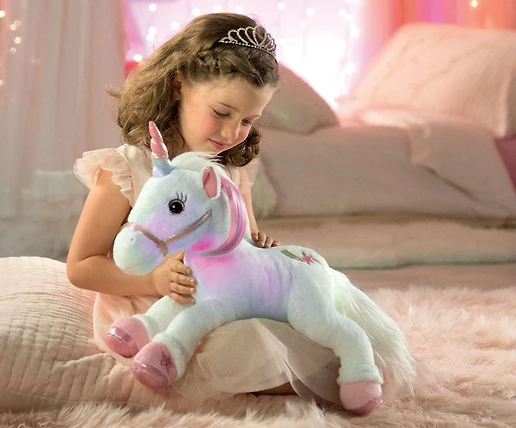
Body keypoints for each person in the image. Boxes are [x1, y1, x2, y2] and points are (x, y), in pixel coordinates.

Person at [67, 12, 417, 410]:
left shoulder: (231, 168)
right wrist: (155, 280)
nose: (232, 133)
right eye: (221, 112)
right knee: (239, 349)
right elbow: (81, 265)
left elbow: (240, 243)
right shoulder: (128, 166)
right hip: (151, 301)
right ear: (179, 85)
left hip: (224, 300)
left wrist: (257, 247)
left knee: (303, 329)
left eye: (248, 120)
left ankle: (346, 365)